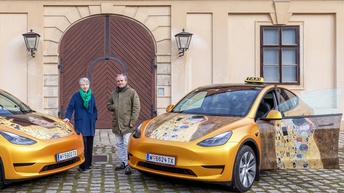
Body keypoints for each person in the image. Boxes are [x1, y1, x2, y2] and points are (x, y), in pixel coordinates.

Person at [107, 73, 140, 175]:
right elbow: (108, 105)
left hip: (127, 124)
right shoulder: (113, 93)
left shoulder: (132, 92)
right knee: (119, 144)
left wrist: (133, 121)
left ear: (126, 81)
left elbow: (136, 108)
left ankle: (128, 164)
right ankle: (123, 162)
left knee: (127, 144)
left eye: (121, 80)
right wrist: (114, 107)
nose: (120, 82)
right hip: (117, 123)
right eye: (118, 81)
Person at [63, 77, 98, 173]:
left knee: (90, 143)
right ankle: (82, 165)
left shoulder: (92, 96)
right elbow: (70, 108)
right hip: (81, 123)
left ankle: (88, 164)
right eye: (83, 85)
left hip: (90, 122)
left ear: (89, 85)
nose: (85, 86)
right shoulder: (76, 96)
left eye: (86, 84)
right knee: (83, 143)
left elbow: (95, 108)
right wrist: (67, 117)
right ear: (80, 86)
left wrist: (95, 117)